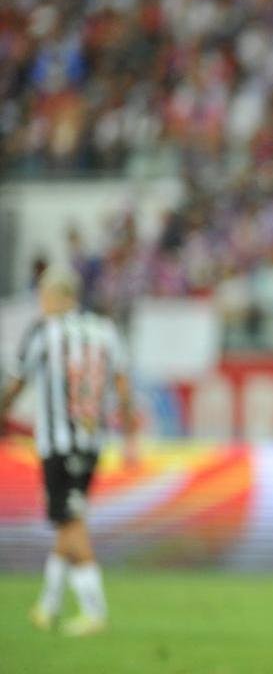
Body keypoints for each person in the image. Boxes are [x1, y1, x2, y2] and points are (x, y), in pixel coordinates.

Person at [0, 266, 135, 637]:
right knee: (67, 519)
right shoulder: (106, 330)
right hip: (92, 443)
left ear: (57, 297)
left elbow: (16, 383)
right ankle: (48, 606)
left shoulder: (44, 332)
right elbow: (123, 387)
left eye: (43, 297)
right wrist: (130, 437)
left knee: (71, 522)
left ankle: (95, 611)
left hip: (58, 444)